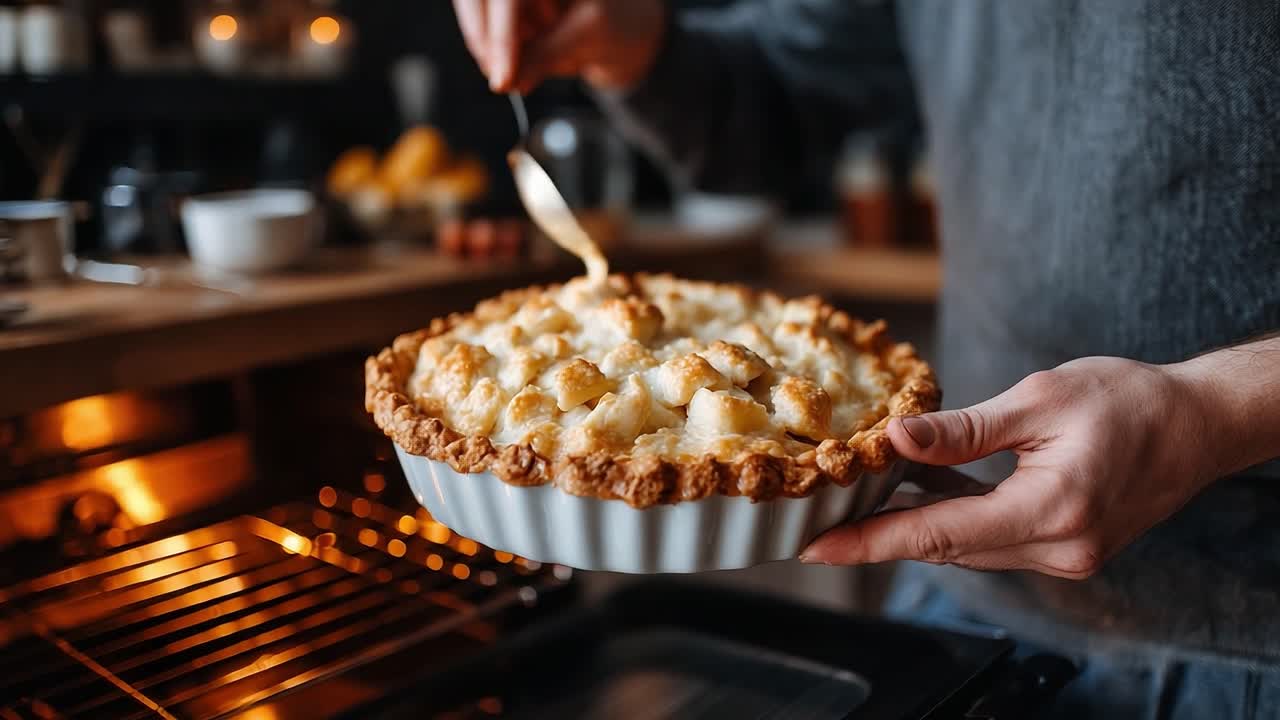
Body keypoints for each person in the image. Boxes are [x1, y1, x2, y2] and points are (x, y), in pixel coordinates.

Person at [452, 1, 1280, 716]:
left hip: (1251, 642)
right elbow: (772, 97)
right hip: (956, 591)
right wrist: (635, 45)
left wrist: (1219, 408)